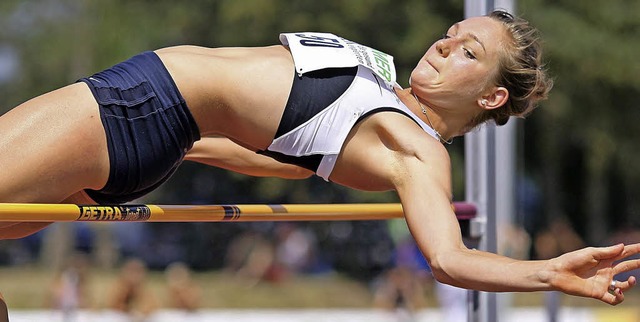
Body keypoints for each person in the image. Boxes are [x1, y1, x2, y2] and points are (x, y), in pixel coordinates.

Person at [0, 10, 639, 306]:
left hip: (140, 107)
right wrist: (182, 149)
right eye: (450, 37)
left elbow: (447, 259)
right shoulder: (386, 95)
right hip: (156, 134)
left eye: (467, 52)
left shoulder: (413, 149)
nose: (444, 47)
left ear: (492, 95)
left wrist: (548, 272)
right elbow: (273, 157)